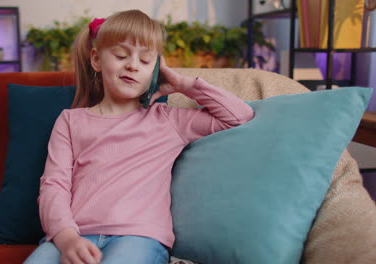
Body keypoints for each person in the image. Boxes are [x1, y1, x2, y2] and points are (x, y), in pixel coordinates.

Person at [24, 9, 254, 264]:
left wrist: (184, 85)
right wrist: (66, 238)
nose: (133, 65)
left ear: (155, 71)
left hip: (139, 237)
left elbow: (239, 116)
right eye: (121, 55)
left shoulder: (167, 120)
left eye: (145, 61)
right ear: (97, 60)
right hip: (74, 235)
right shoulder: (70, 121)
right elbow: (53, 186)